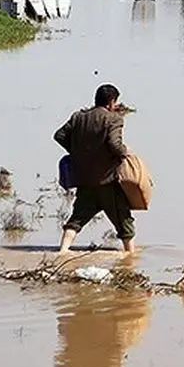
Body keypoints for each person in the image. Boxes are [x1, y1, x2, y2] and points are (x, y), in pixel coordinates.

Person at [54, 84, 135, 255]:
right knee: (124, 222)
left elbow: (59, 135)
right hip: (108, 181)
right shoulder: (114, 119)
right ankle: (131, 258)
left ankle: (62, 252)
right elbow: (115, 144)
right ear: (111, 102)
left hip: (84, 179)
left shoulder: (78, 117)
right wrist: (125, 152)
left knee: (76, 219)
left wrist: (77, 152)